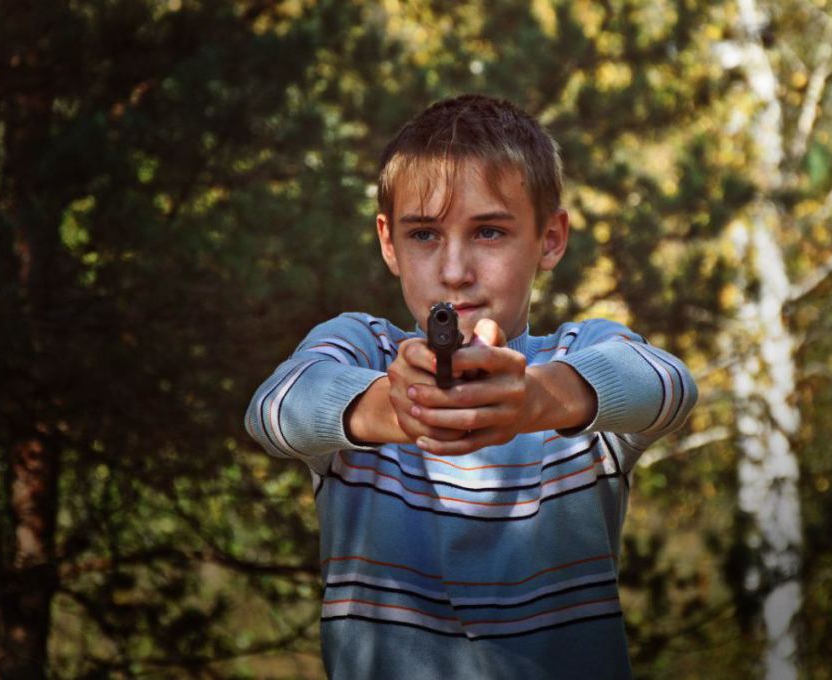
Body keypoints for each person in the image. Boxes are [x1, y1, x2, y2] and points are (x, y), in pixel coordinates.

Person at [244, 93, 697, 679]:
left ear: (551, 238)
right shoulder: (362, 346)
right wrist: (393, 405)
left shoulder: (577, 357)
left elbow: (669, 385)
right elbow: (274, 409)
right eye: (425, 235)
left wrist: (537, 399)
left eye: (488, 232)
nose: (454, 271)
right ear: (389, 243)